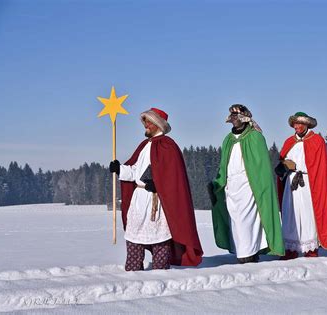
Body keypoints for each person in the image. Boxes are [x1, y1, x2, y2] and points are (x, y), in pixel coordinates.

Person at [109, 107, 203, 271]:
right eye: (144, 121)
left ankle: (160, 275)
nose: (145, 125)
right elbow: (135, 171)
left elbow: (173, 179)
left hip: (157, 202)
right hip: (139, 200)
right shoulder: (144, 145)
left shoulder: (169, 146)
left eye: (148, 121)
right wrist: (120, 169)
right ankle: (132, 272)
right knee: (134, 236)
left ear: (157, 124)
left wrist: (158, 185)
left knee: (159, 240)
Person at [210, 104, 284, 263]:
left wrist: (259, 187)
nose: (234, 118)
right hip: (232, 189)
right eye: (232, 116)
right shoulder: (228, 140)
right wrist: (218, 183)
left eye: (237, 115)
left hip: (249, 188)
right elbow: (224, 166)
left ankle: (249, 255)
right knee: (236, 224)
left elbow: (261, 168)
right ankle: (242, 253)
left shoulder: (255, 137)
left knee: (248, 223)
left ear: (245, 117)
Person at [276, 112, 327, 259]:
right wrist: (282, 167)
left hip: (308, 184)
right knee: (290, 214)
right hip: (290, 184)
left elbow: (319, 166)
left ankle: (310, 249)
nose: (297, 127)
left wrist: (300, 167)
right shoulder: (289, 142)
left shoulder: (317, 141)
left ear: (307, 125)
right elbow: (283, 160)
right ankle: (290, 248)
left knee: (307, 214)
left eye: (300, 124)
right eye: (295, 124)